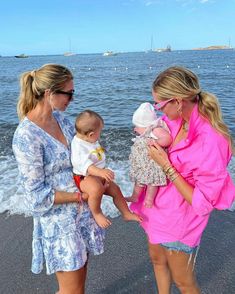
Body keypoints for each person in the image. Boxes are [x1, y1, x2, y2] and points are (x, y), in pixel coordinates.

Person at [130, 66, 235, 294]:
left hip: (180, 221)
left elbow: (201, 203)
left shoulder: (210, 140)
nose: (158, 111)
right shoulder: (174, 122)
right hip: (157, 210)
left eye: (159, 105)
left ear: (177, 101)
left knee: (184, 282)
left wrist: (165, 165)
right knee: (157, 261)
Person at [12, 64, 105, 294]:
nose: (72, 99)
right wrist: (80, 195)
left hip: (80, 215)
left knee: (79, 283)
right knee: (71, 290)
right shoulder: (26, 136)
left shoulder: (62, 121)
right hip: (59, 222)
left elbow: (80, 157)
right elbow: (35, 197)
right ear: (49, 93)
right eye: (69, 93)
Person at [71, 109, 142, 228]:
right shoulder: (78, 146)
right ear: (91, 134)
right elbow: (86, 166)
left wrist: (101, 173)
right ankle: (97, 213)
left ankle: (126, 213)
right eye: (100, 132)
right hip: (84, 177)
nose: (101, 134)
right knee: (96, 189)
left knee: (115, 190)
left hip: (98, 175)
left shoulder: (90, 140)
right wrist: (100, 172)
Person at [126, 102, 172, 208]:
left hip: (153, 164)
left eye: (137, 126)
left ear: (146, 125)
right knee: (139, 180)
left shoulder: (156, 130)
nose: (135, 129)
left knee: (152, 182)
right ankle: (135, 196)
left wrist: (156, 143)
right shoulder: (147, 130)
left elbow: (168, 139)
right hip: (143, 164)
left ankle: (149, 200)